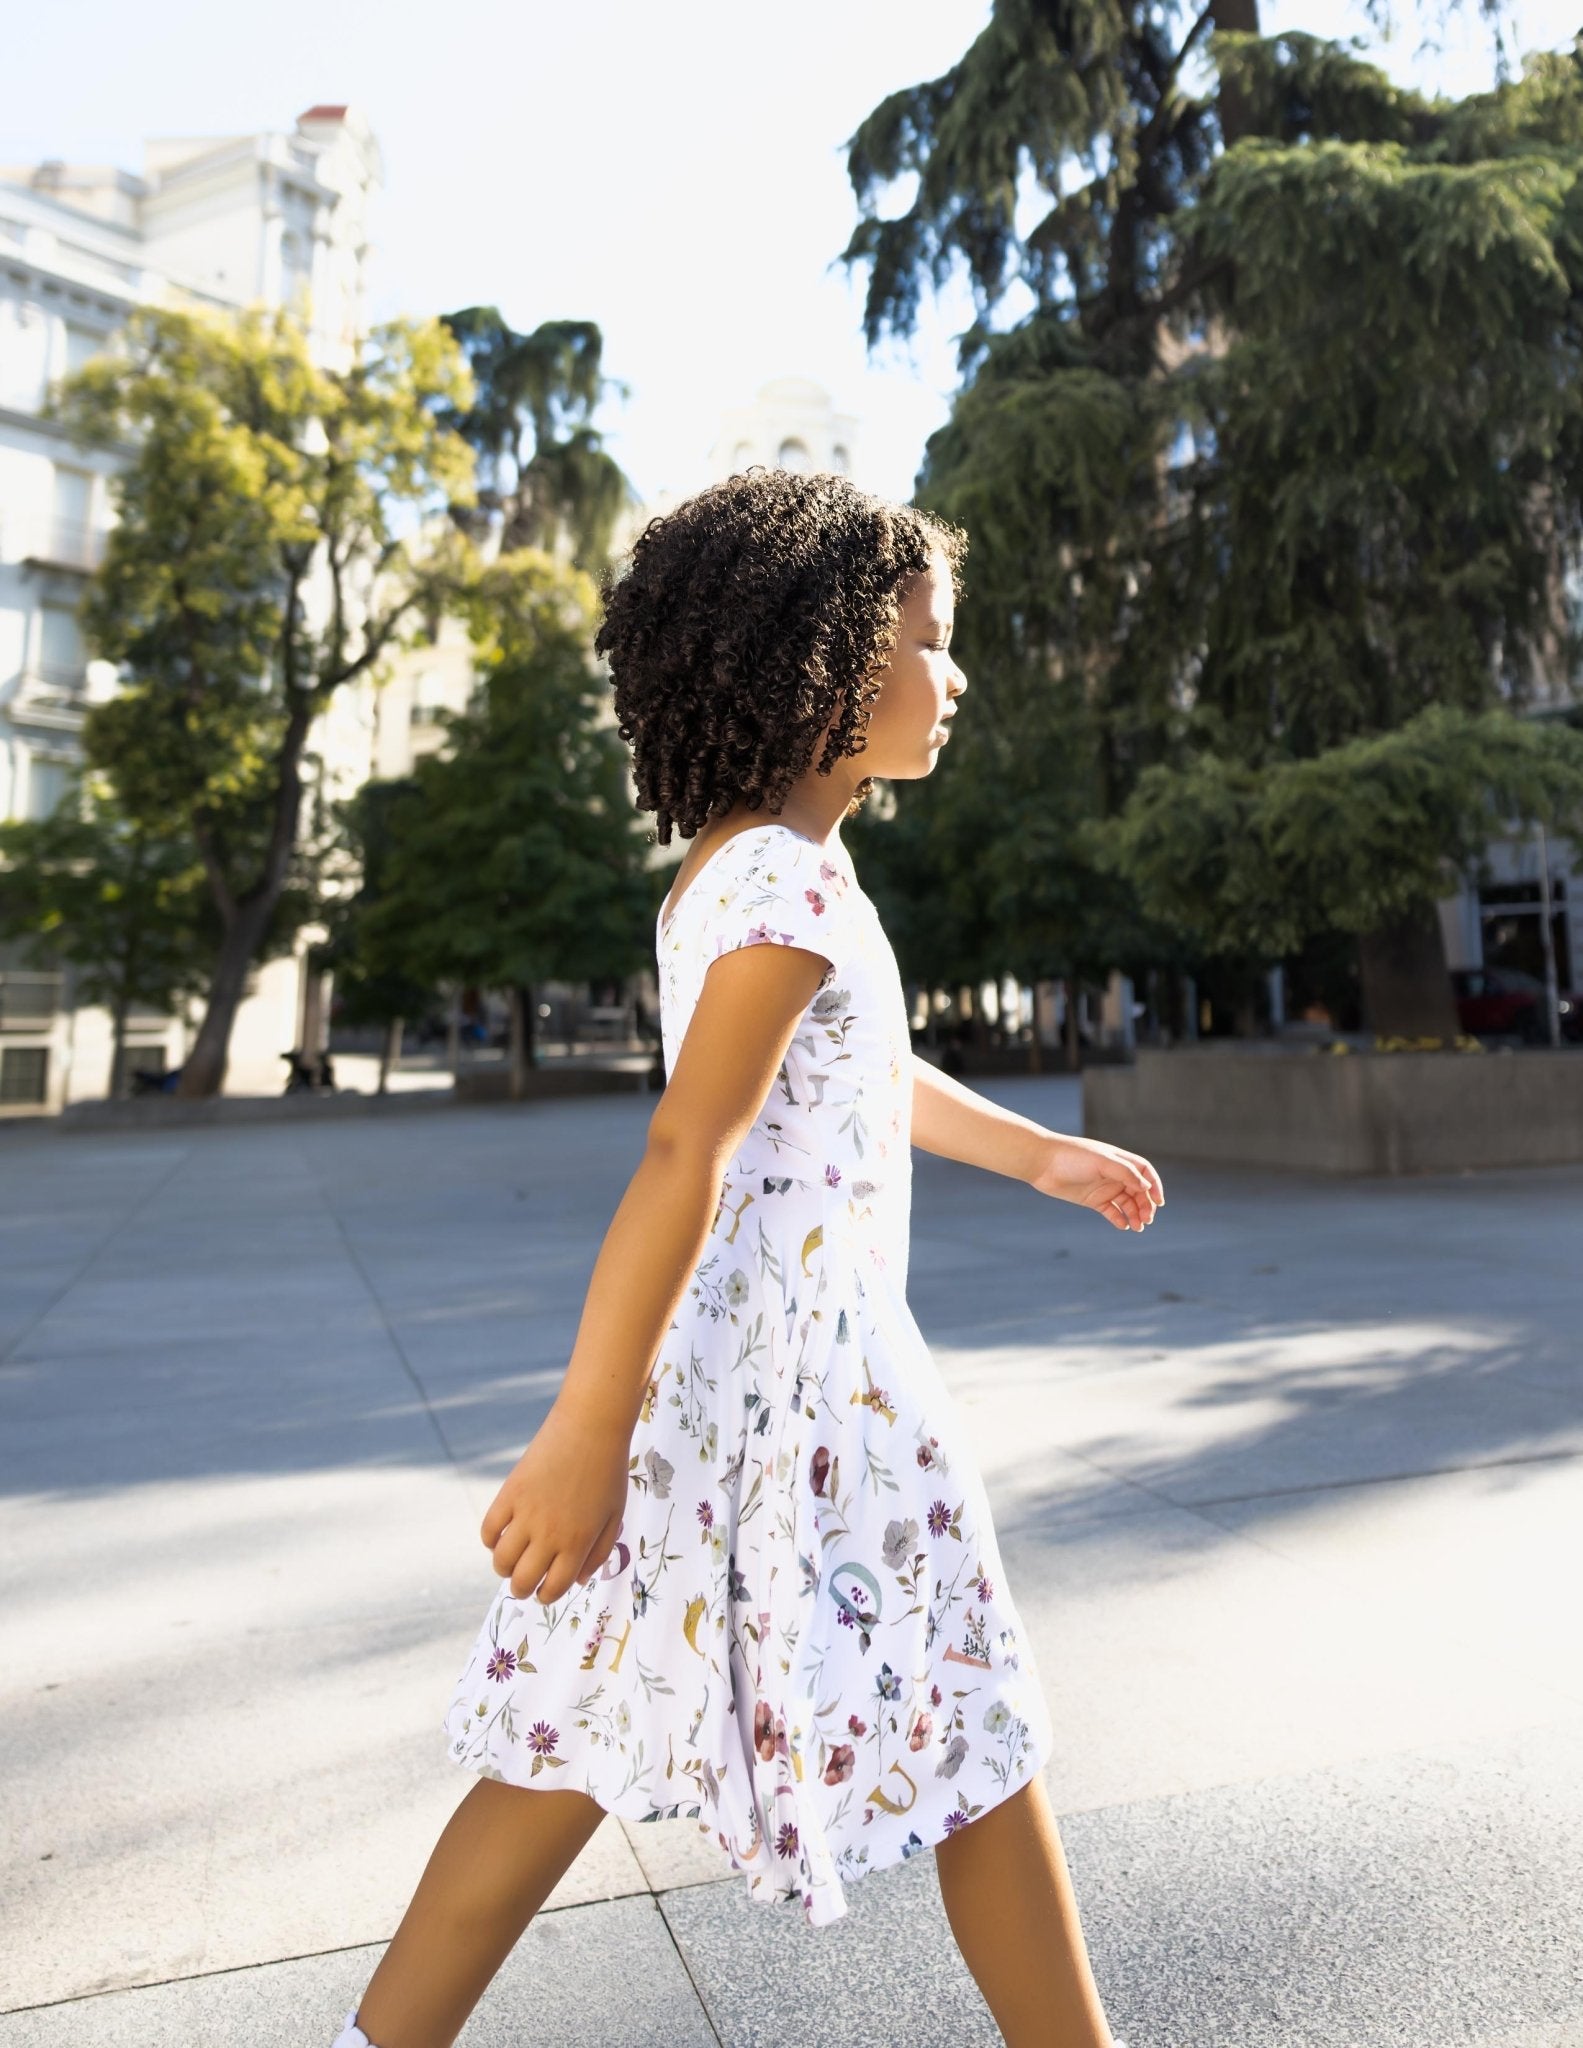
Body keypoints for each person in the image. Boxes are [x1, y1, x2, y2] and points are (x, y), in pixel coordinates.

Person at [330, 470, 1160, 2048]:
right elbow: (686, 1151)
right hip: (798, 1398)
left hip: (725, 1403)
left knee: (563, 1743)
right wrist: (581, 1430)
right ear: (829, 661)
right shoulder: (782, 883)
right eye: (930, 638)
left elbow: (860, 1080)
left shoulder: (766, 867)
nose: (955, 672)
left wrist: (1040, 1152)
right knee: (973, 1730)